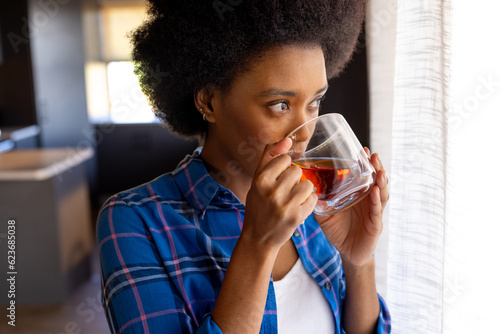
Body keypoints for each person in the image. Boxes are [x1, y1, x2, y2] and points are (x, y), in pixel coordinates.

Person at [97, 0, 391, 333]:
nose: (306, 130)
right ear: (209, 102)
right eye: (280, 105)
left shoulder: (318, 209)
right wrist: (258, 243)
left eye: (314, 102)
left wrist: (358, 263)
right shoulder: (135, 220)